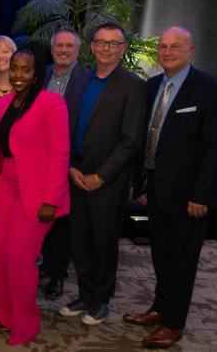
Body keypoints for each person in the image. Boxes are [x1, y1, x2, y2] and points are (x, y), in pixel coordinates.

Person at [123, 27, 217, 349]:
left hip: (190, 197)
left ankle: (173, 323)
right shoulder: (153, 86)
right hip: (157, 190)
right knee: (161, 255)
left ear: (190, 49)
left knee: (183, 260)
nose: (167, 52)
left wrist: (201, 194)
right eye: (163, 47)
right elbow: (147, 141)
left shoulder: (211, 90)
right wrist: (143, 185)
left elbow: (216, 148)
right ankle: (160, 307)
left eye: (175, 47)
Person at [59, 22, 146, 325]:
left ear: (122, 49)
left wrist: (101, 176)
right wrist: (70, 167)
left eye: (114, 43)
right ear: (92, 46)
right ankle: (85, 295)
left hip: (107, 182)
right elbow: (65, 129)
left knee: (103, 242)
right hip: (76, 173)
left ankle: (101, 300)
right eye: (101, 42)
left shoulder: (133, 85)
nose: (107, 48)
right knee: (80, 240)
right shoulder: (80, 79)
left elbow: (131, 141)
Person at [0, 48, 70, 345]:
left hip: (37, 192)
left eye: (26, 70)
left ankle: (26, 323)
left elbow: (60, 154)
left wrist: (52, 199)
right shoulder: (3, 102)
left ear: (37, 74)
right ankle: (5, 315)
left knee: (20, 258)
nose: (18, 75)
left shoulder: (52, 103)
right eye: (15, 68)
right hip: (5, 187)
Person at [39, 26, 91, 300]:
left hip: (67, 161)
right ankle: (39, 265)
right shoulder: (41, 75)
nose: (63, 50)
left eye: (69, 46)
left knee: (61, 222)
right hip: (37, 160)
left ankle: (56, 274)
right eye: (59, 46)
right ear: (51, 49)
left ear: (78, 50)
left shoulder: (87, 80)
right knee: (38, 215)